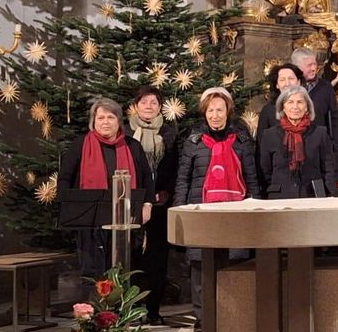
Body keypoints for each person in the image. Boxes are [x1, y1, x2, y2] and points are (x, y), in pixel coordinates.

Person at [173, 87, 260, 323]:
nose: (215, 115)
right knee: (201, 267)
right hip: (202, 213)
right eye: (211, 110)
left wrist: (256, 208)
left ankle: (234, 319)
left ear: (228, 111)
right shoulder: (193, 141)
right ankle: (204, 320)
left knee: (234, 265)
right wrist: (180, 210)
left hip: (235, 213)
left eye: (220, 110)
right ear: (204, 112)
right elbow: (183, 179)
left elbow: (252, 179)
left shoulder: (241, 141)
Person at [59, 98, 153, 281]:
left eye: (111, 117)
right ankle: (93, 301)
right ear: (93, 121)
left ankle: (121, 301)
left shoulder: (133, 146)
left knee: (123, 273)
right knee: (92, 275)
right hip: (89, 223)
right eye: (100, 118)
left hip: (125, 221)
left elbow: (147, 178)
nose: (105, 122)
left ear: (118, 121)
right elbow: (64, 179)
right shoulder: (80, 144)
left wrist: (147, 205)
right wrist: (69, 208)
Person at [123, 87, 180, 326]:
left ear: (160, 107)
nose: (149, 106)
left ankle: (154, 310)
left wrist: (165, 191)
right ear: (135, 106)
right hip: (131, 202)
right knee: (133, 257)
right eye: (144, 102)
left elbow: (175, 167)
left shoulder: (169, 133)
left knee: (157, 259)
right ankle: (132, 309)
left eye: (154, 103)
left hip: (160, 203)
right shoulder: (125, 132)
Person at [259, 86, 335, 198]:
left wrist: (329, 193)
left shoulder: (320, 133)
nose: (295, 107)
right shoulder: (270, 135)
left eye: (300, 102)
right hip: (280, 196)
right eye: (290, 102)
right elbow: (266, 170)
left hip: (312, 196)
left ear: (307, 107)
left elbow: (328, 168)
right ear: (283, 107)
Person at [291, 48, 337, 134]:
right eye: (309, 65)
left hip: (319, 137)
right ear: (297, 67)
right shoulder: (289, 87)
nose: (313, 68)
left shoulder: (326, 87)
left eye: (314, 64)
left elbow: (334, 117)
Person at [256, 63, 305, 137]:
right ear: (277, 85)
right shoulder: (268, 111)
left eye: (291, 79)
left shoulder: (309, 106)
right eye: (282, 80)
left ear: (299, 82)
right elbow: (262, 140)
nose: (287, 83)